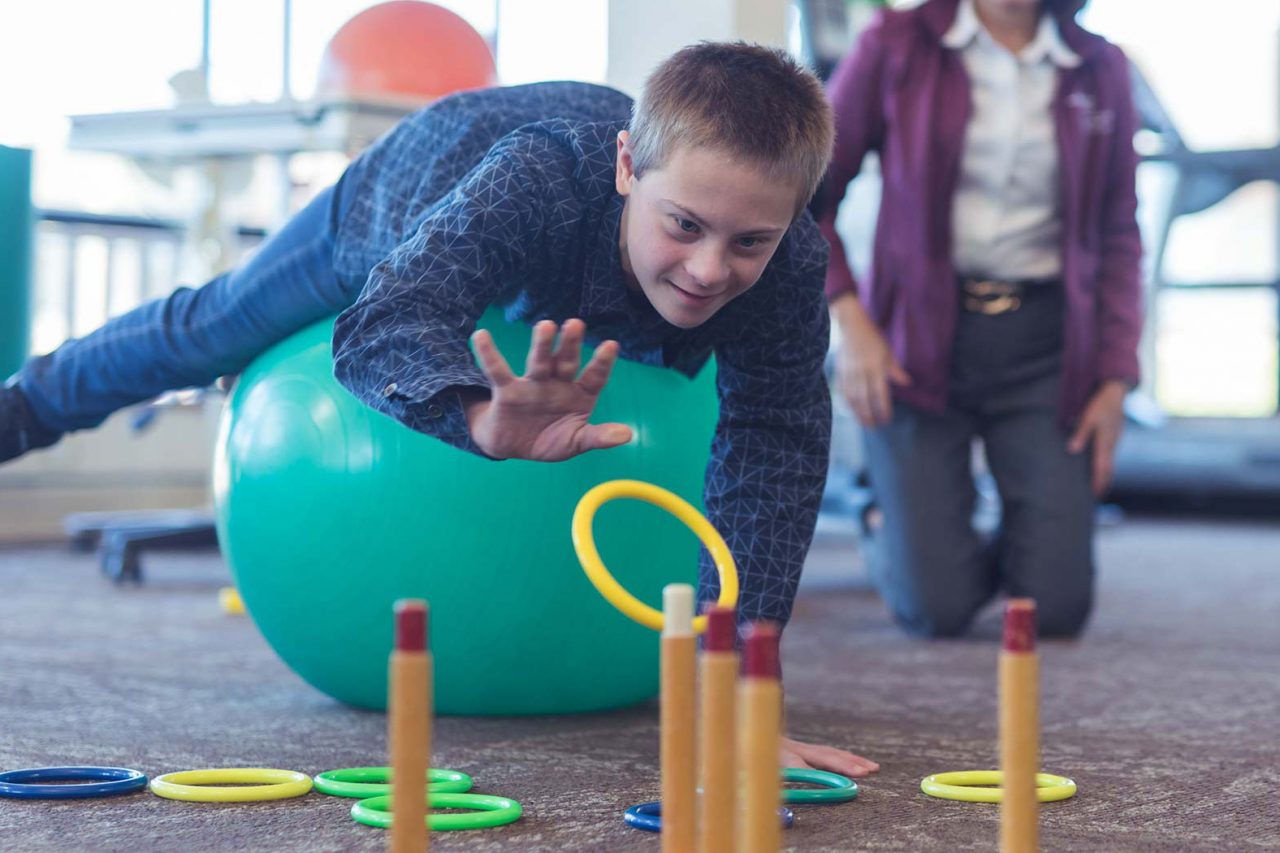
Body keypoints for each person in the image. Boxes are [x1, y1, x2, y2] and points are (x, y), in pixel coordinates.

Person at [0, 42, 878, 776]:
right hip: (415, 197)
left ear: (794, 220)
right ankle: (23, 408)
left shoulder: (792, 260)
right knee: (215, 327)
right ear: (625, 167)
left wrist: (735, 687)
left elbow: (776, 446)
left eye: (748, 241)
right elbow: (388, 320)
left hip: (571, 257)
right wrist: (475, 414)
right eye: (683, 224)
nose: (709, 267)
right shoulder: (537, 178)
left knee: (762, 377)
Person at [816, 0, 1142, 638]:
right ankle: (883, 510)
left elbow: (1119, 234)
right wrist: (850, 320)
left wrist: (1116, 375)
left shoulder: (1101, 66)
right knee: (935, 609)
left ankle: (983, 525)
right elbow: (807, 192)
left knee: (1056, 607)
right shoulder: (895, 43)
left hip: (1045, 346)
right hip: (914, 340)